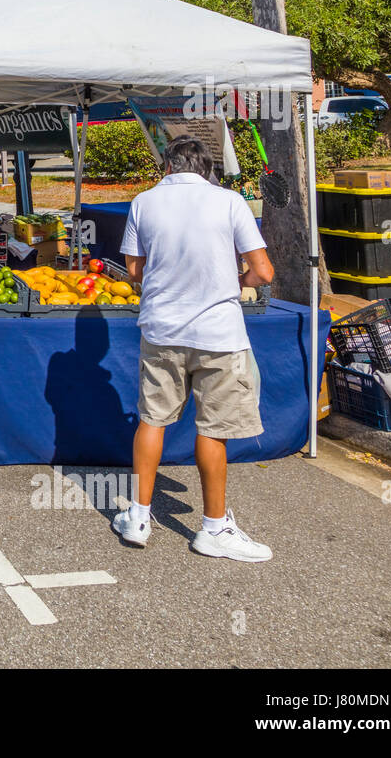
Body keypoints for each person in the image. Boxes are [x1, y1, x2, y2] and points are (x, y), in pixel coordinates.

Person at [111, 135, 276, 562]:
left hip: (162, 330)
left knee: (152, 419)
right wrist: (232, 281)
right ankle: (214, 528)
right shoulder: (230, 202)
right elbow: (263, 271)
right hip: (219, 335)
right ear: (206, 170)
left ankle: (139, 517)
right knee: (213, 430)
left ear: (168, 167)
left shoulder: (144, 202)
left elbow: (134, 270)